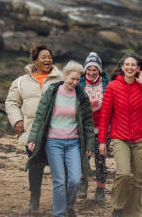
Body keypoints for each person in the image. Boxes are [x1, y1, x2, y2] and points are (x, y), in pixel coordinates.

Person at [26, 60, 95, 217]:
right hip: (53, 143)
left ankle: (69, 206)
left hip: (73, 144)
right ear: (64, 76)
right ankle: (59, 214)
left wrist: (90, 145)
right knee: (59, 181)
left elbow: (88, 123)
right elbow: (39, 117)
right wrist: (33, 139)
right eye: (72, 78)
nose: (74, 82)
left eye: (78, 80)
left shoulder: (81, 96)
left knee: (75, 180)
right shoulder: (52, 92)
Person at [98, 53, 142, 217]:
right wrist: (102, 141)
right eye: (127, 64)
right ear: (122, 67)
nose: (130, 67)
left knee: (137, 180)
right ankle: (117, 206)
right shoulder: (112, 86)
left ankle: (131, 214)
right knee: (124, 174)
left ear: (138, 68)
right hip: (120, 137)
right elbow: (105, 115)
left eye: (133, 65)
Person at [5, 43, 64, 213]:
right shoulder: (21, 81)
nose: (48, 60)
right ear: (35, 60)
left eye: (50, 57)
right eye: (44, 57)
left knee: (59, 169)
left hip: (56, 132)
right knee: (35, 166)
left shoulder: (61, 79)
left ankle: (61, 203)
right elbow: (11, 102)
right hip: (32, 132)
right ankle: (34, 200)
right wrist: (17, 121)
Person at [77, 52, 110, 202]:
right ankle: (82, 184)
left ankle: (100, 190)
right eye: (88, 69)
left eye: (94, 69)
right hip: (84, 130)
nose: (91, 72)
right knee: (83, 158)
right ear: (85, 69)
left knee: (100, 160)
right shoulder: (79, 83)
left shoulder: (106, 84)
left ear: (99, 70)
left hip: (103, 130)